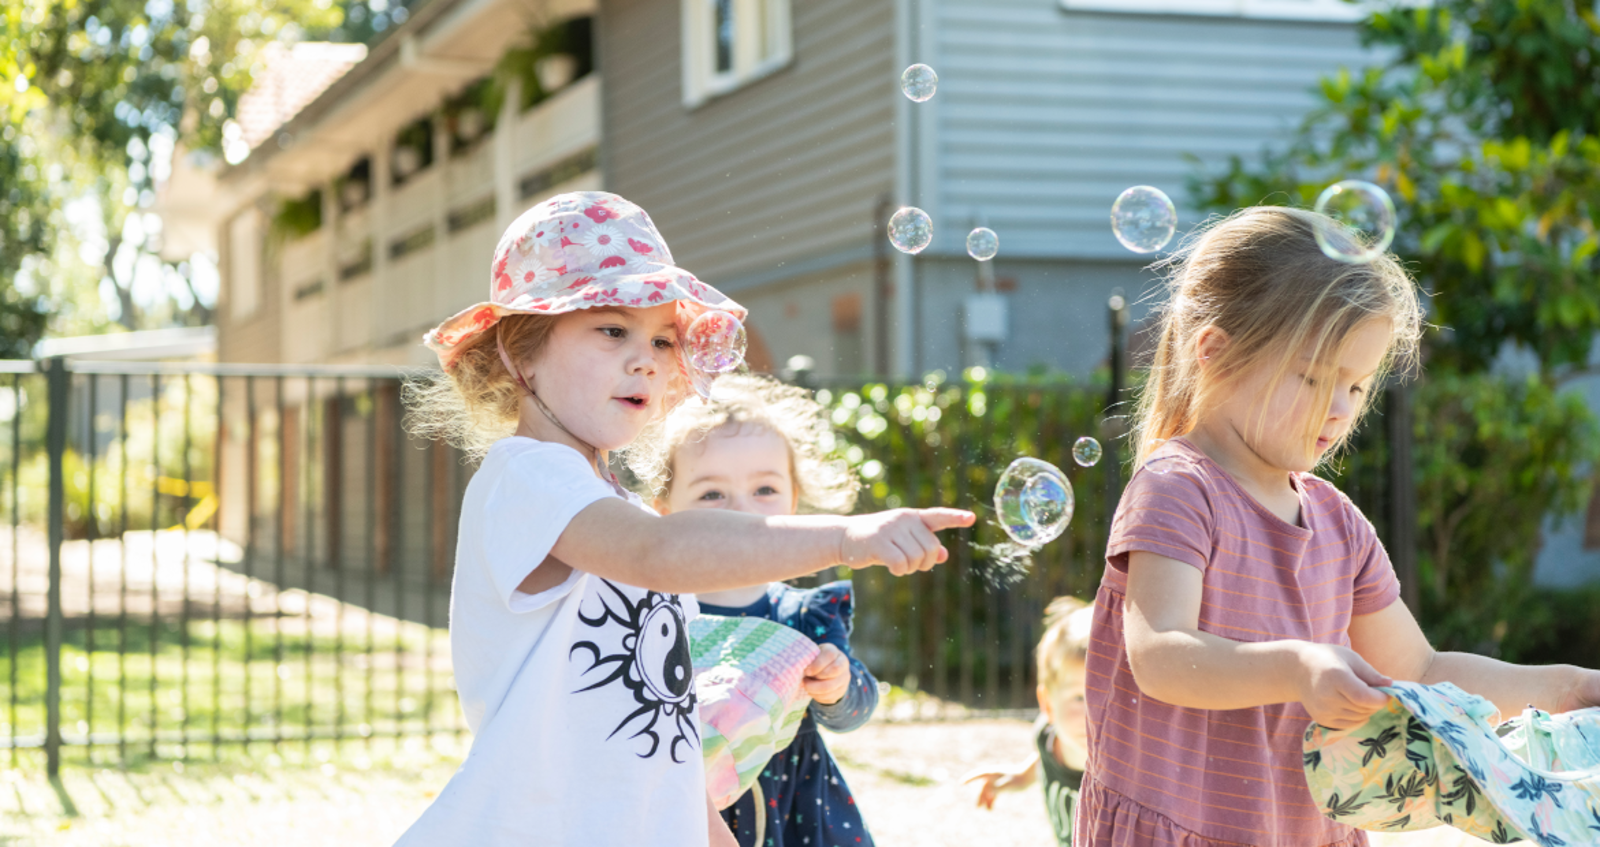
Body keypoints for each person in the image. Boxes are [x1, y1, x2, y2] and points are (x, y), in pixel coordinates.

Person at [394, 192, 973, 847]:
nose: (646, 358)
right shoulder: (527, 475)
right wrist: (844, 536)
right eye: (612, 329)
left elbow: (671, 740)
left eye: (663, 338)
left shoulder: (627, 511)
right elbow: (658, 550)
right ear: (520, 352)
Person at [1076, 205, 1600, 847]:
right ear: (1215, 352)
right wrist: (1297, 666)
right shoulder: (1180, 489)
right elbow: (1160, 654)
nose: (1340, 408)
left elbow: (1423, 669)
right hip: (1182, 828)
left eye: (1356, 385)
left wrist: (1567, 687)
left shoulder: (1337, 521)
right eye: (1313, 377)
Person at [642, 373, 880, 847]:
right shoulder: (660, 617)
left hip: (797, 815)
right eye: (712, 494)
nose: (741, 513)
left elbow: (855, 711)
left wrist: (836, 687)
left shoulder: (806, 616)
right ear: (665, 510)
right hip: (688, 812)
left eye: (765, 490)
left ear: (793, 501)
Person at [966, 596, 1092, 846]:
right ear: (1048, 705)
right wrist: (1020, 777)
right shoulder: (1046, 735)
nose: (1094, 714)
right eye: (1079, 697)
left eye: (1108, 696)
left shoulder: (1123, 763)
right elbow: (1046, 757)